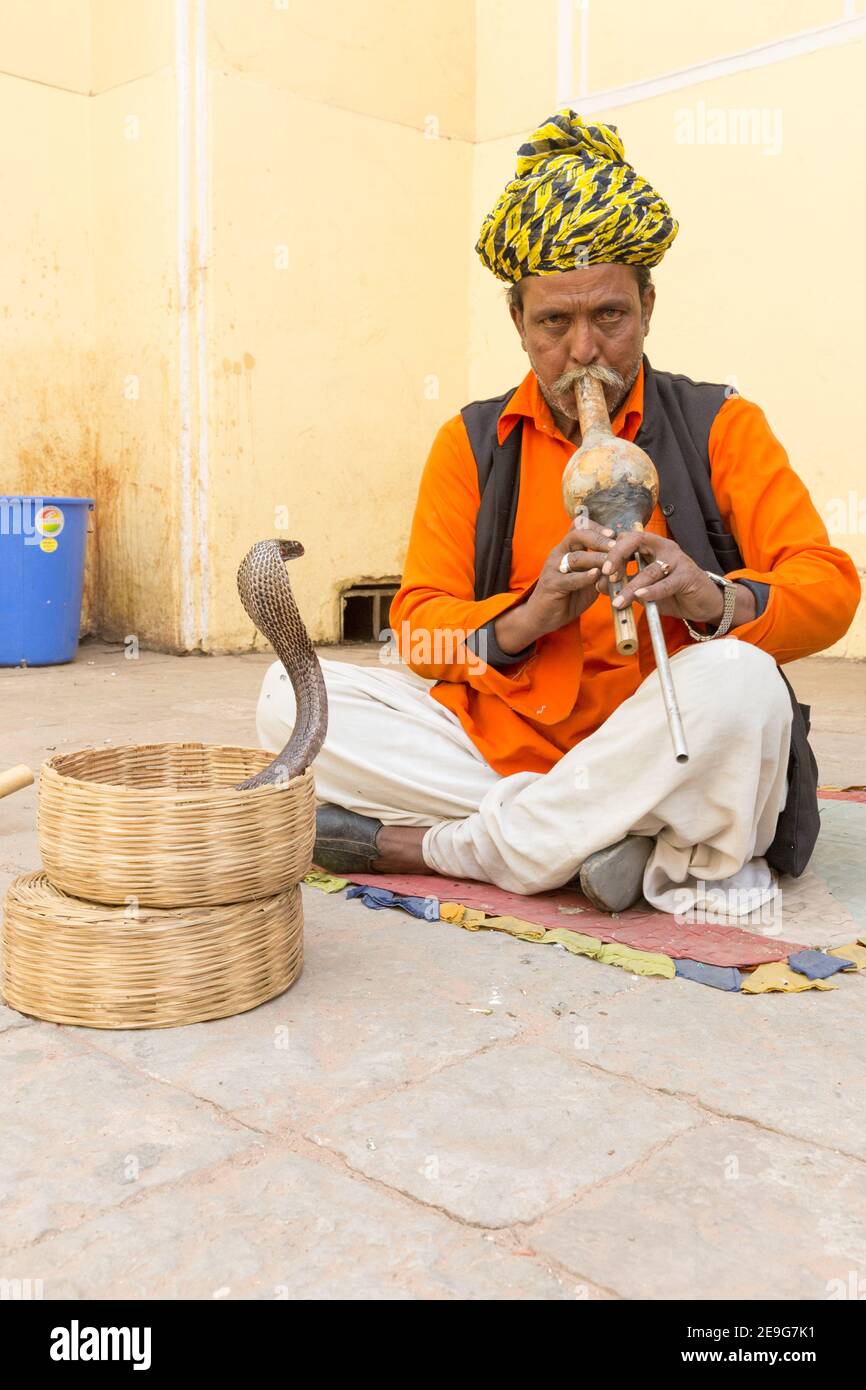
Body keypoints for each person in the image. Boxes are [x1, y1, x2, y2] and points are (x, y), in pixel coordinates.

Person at [257, 110, 859, 917]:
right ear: (519, 323)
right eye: (554, 322)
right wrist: (527, 617)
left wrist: (709, 598)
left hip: (663, 739)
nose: (584, 352)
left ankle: (438, 848)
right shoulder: (471, 442)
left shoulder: (720, 423)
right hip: (499, 747)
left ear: (647, 305)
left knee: (746, 689)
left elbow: (828, 592)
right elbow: (418, 635)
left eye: (609, 316)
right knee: (283, 698)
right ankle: (610, 841)